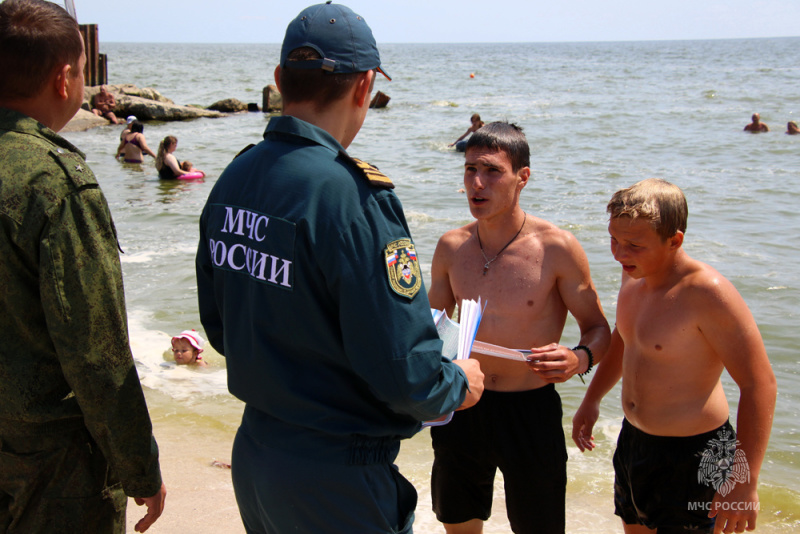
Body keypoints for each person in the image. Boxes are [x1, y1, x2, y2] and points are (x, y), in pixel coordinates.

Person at [195, 3, 484, 533]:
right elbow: (405, 372)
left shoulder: (236, 176)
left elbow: (220, 326)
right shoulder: (352, 197)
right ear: (365, 87)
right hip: (335, 478)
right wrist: (456, 383)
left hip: (258, 454)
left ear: (281, 80)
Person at [0, 1, 166, 532]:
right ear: (65, 77)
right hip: (52, 464)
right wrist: (140, 468)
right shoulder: (54, 183)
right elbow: (97, 352)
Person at [428, 121, 611, 534]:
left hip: (529, 409)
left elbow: (599, 329)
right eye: (470, 169)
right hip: (461, 403)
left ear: (522, 177)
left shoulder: (556, 248)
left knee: (539, 526)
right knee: (457, 523)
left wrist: (578, 358)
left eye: (492, 170)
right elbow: (430, 331)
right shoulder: (451, 247)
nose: (478, 182)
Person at [572, 179, 777, 533]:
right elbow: (626, 338)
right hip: (635, 442)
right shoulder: (633, 276)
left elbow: (760, 384)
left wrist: (745, 480)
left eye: (634, 245)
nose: (619, 255)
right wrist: (591, 399)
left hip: (697, 455)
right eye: (614, 240)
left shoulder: (706, 293)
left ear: (675, 240)